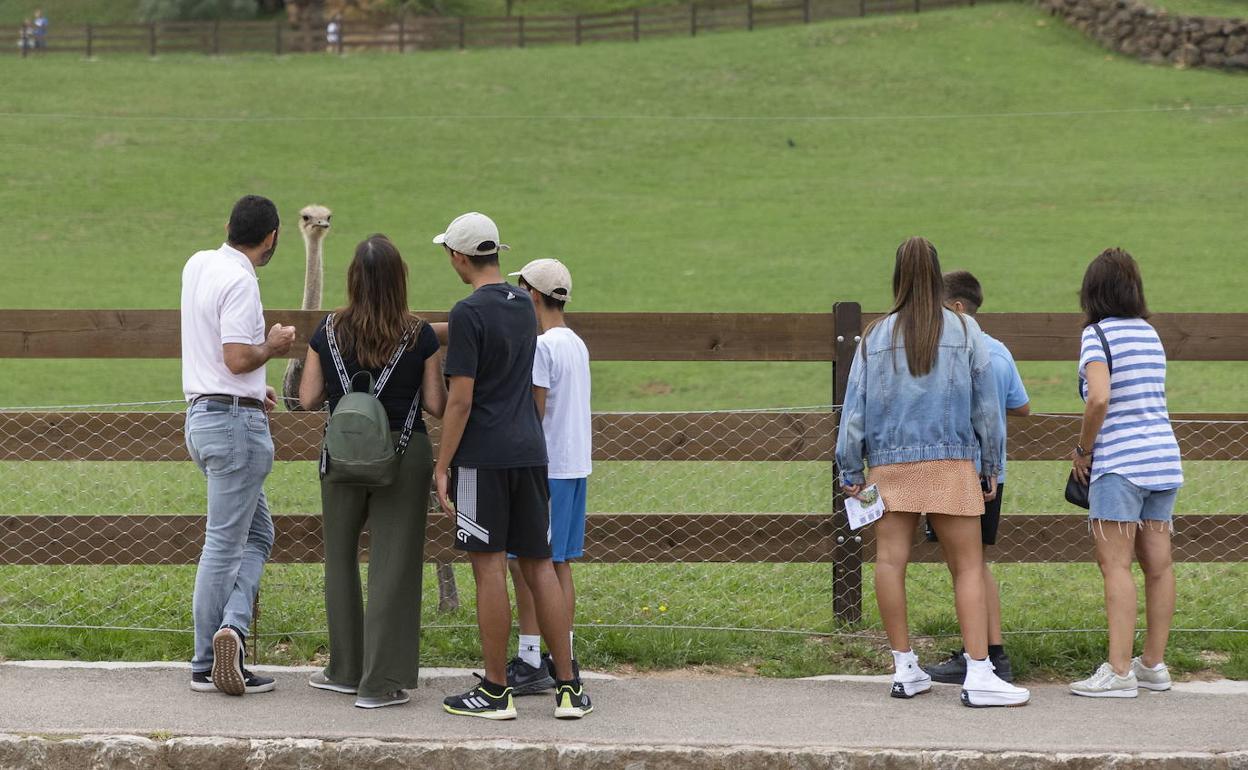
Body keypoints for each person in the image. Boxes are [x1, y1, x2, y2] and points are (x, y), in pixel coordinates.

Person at [835, 236, 1029, 708]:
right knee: (967, 566)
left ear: (897, 277)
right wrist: (991, 464)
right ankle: (980, 673)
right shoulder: (965, 331)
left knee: (888, 562)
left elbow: (853, 410)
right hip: (951, 462)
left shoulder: (876, 335)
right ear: (936, 273)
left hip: (889, 464)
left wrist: (849, 466)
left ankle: (904, 668)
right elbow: (987, 409)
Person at [432, 212, 592, 720]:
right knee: (539, 564)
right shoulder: (526, 306)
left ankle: (496, 690)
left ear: (459, 258)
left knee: (488, 570)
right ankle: (568, 687)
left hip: (483, 456)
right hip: (531, 453)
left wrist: (443, 464)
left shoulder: (467, 312)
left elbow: (460, 400)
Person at [298, 234, 447, 709]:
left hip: (341, 457)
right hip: (404, 457)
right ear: (399, 279)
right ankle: (379, 683)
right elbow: (435, 404)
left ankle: (343, 669)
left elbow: (306, 399)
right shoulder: (419, 333)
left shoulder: (327, 330)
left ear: (353, 280)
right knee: (393, 566)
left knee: (339, 560)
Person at [181, 194, 294, 697]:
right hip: (232, 427)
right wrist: (273, 346)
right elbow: (234, 357)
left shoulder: (199, 264)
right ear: (271, 238)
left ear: (228, 225)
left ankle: (230, 631)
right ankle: (211, 656)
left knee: (256, 534)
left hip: (202, 417)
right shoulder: (243, 281)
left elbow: (212, 352)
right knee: (225, 543)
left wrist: (254, 387)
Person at [1068, 248, 1182, 698]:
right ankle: (1153, 663)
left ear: (1092, 292)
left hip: (1119, 465)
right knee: (1159, 565)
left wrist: (1084, 448)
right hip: (1162, 461)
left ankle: (1118, 672)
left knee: (1115, 565)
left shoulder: (1098, 335)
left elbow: (1098, 398)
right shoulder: (1150, 334)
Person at [923, 271, 1030, 684]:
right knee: (974, 563)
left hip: (956, 468)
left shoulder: (955, 353)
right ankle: (988, 652)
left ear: (957, 307)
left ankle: (983, 654)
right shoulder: (999, 352)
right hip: (993, 471)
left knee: (965, 566)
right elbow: (1022, 407)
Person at [502, 259, 591, 695]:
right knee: (561, 563)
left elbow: (536, 410)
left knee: (527, 563)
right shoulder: (576, 343)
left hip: (548, 468)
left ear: (533, 296)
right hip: (576, 466)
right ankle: (564, 654)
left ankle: (532, 655)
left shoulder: (542, 348)